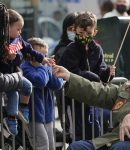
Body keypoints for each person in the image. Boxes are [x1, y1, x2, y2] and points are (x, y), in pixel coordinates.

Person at [52, 49, 130, 150]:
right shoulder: (129, 87)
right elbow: (99, 92)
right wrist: (69, 77)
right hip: (114, 139)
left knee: (120, 148)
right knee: (77, 147)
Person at [59, 11, 116, 140]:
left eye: (88, 34)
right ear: (75, 30)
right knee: (78, 133)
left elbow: (101, 72)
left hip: (92, 97)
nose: (84, 36)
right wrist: (92, 76)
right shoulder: (71, 49)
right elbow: (71, 72)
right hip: (75, 98)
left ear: (94, 32)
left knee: (95, 129)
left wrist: (108, 73)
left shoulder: (97, 49)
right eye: (80, 33)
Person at [2, 9, 54, 136]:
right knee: (13, 94)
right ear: (7, 27)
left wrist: (42, 59)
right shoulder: (2, 40)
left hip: (14, 75)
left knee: (27, 87)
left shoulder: (18, 40)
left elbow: (29, 50)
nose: (20, 32)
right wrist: (6, 56)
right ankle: (11, 119)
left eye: (21, 29)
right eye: (18, 29)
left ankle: (21, 110)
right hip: (4, 77)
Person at [21, 37, 63, 150]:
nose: (44, 58)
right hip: (33, 115)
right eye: (41, 55)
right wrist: (43, 66)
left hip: (48, 113)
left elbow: (57, 84)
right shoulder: (25, 68)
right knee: (42, 144)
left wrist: (51, 68)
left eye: (45, 55)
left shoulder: (43, 68)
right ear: (30, 54)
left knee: (51, 144)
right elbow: (40, 81)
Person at [53, 12, 78, 143]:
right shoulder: (62, 49)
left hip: (84, 100)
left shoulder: (88, 48)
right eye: (70, 29)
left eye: (76, 28)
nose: (73, 32)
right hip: (68, 100)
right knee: (73, 135)